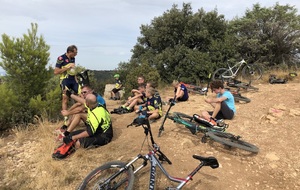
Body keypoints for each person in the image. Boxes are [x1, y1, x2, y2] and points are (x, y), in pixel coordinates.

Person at [54, 45, 79, 111]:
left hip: (73, 80)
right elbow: (56, 72)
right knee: (65, 98)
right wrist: (67, 67)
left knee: (80, 96)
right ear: (69, 52)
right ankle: (65, 117)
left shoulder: (73, 58)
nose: (76, 54)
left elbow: (73, 70)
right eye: (75, 53)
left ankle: (77, 113)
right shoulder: (61, 58)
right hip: (65, 80)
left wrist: (76, 79)